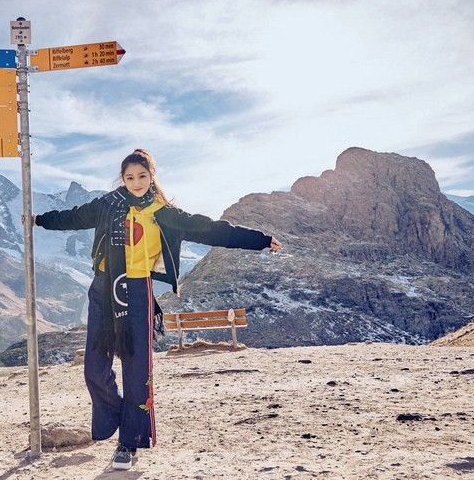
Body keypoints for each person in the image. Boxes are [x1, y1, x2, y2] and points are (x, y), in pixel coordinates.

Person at [23, 149, 281, 470]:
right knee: (93, 367)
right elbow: (71, 218)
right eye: (129, 177)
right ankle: (120, 413)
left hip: (138, 292)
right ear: (123, 178)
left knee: (137, 370)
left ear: (152, 176)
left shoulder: (166, 214)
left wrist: (260, 240)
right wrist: (38, 220)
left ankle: (129, 442)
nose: (136, 183)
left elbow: (214, 229)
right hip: (103, 288)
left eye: (142, 176)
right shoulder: (107, 206)